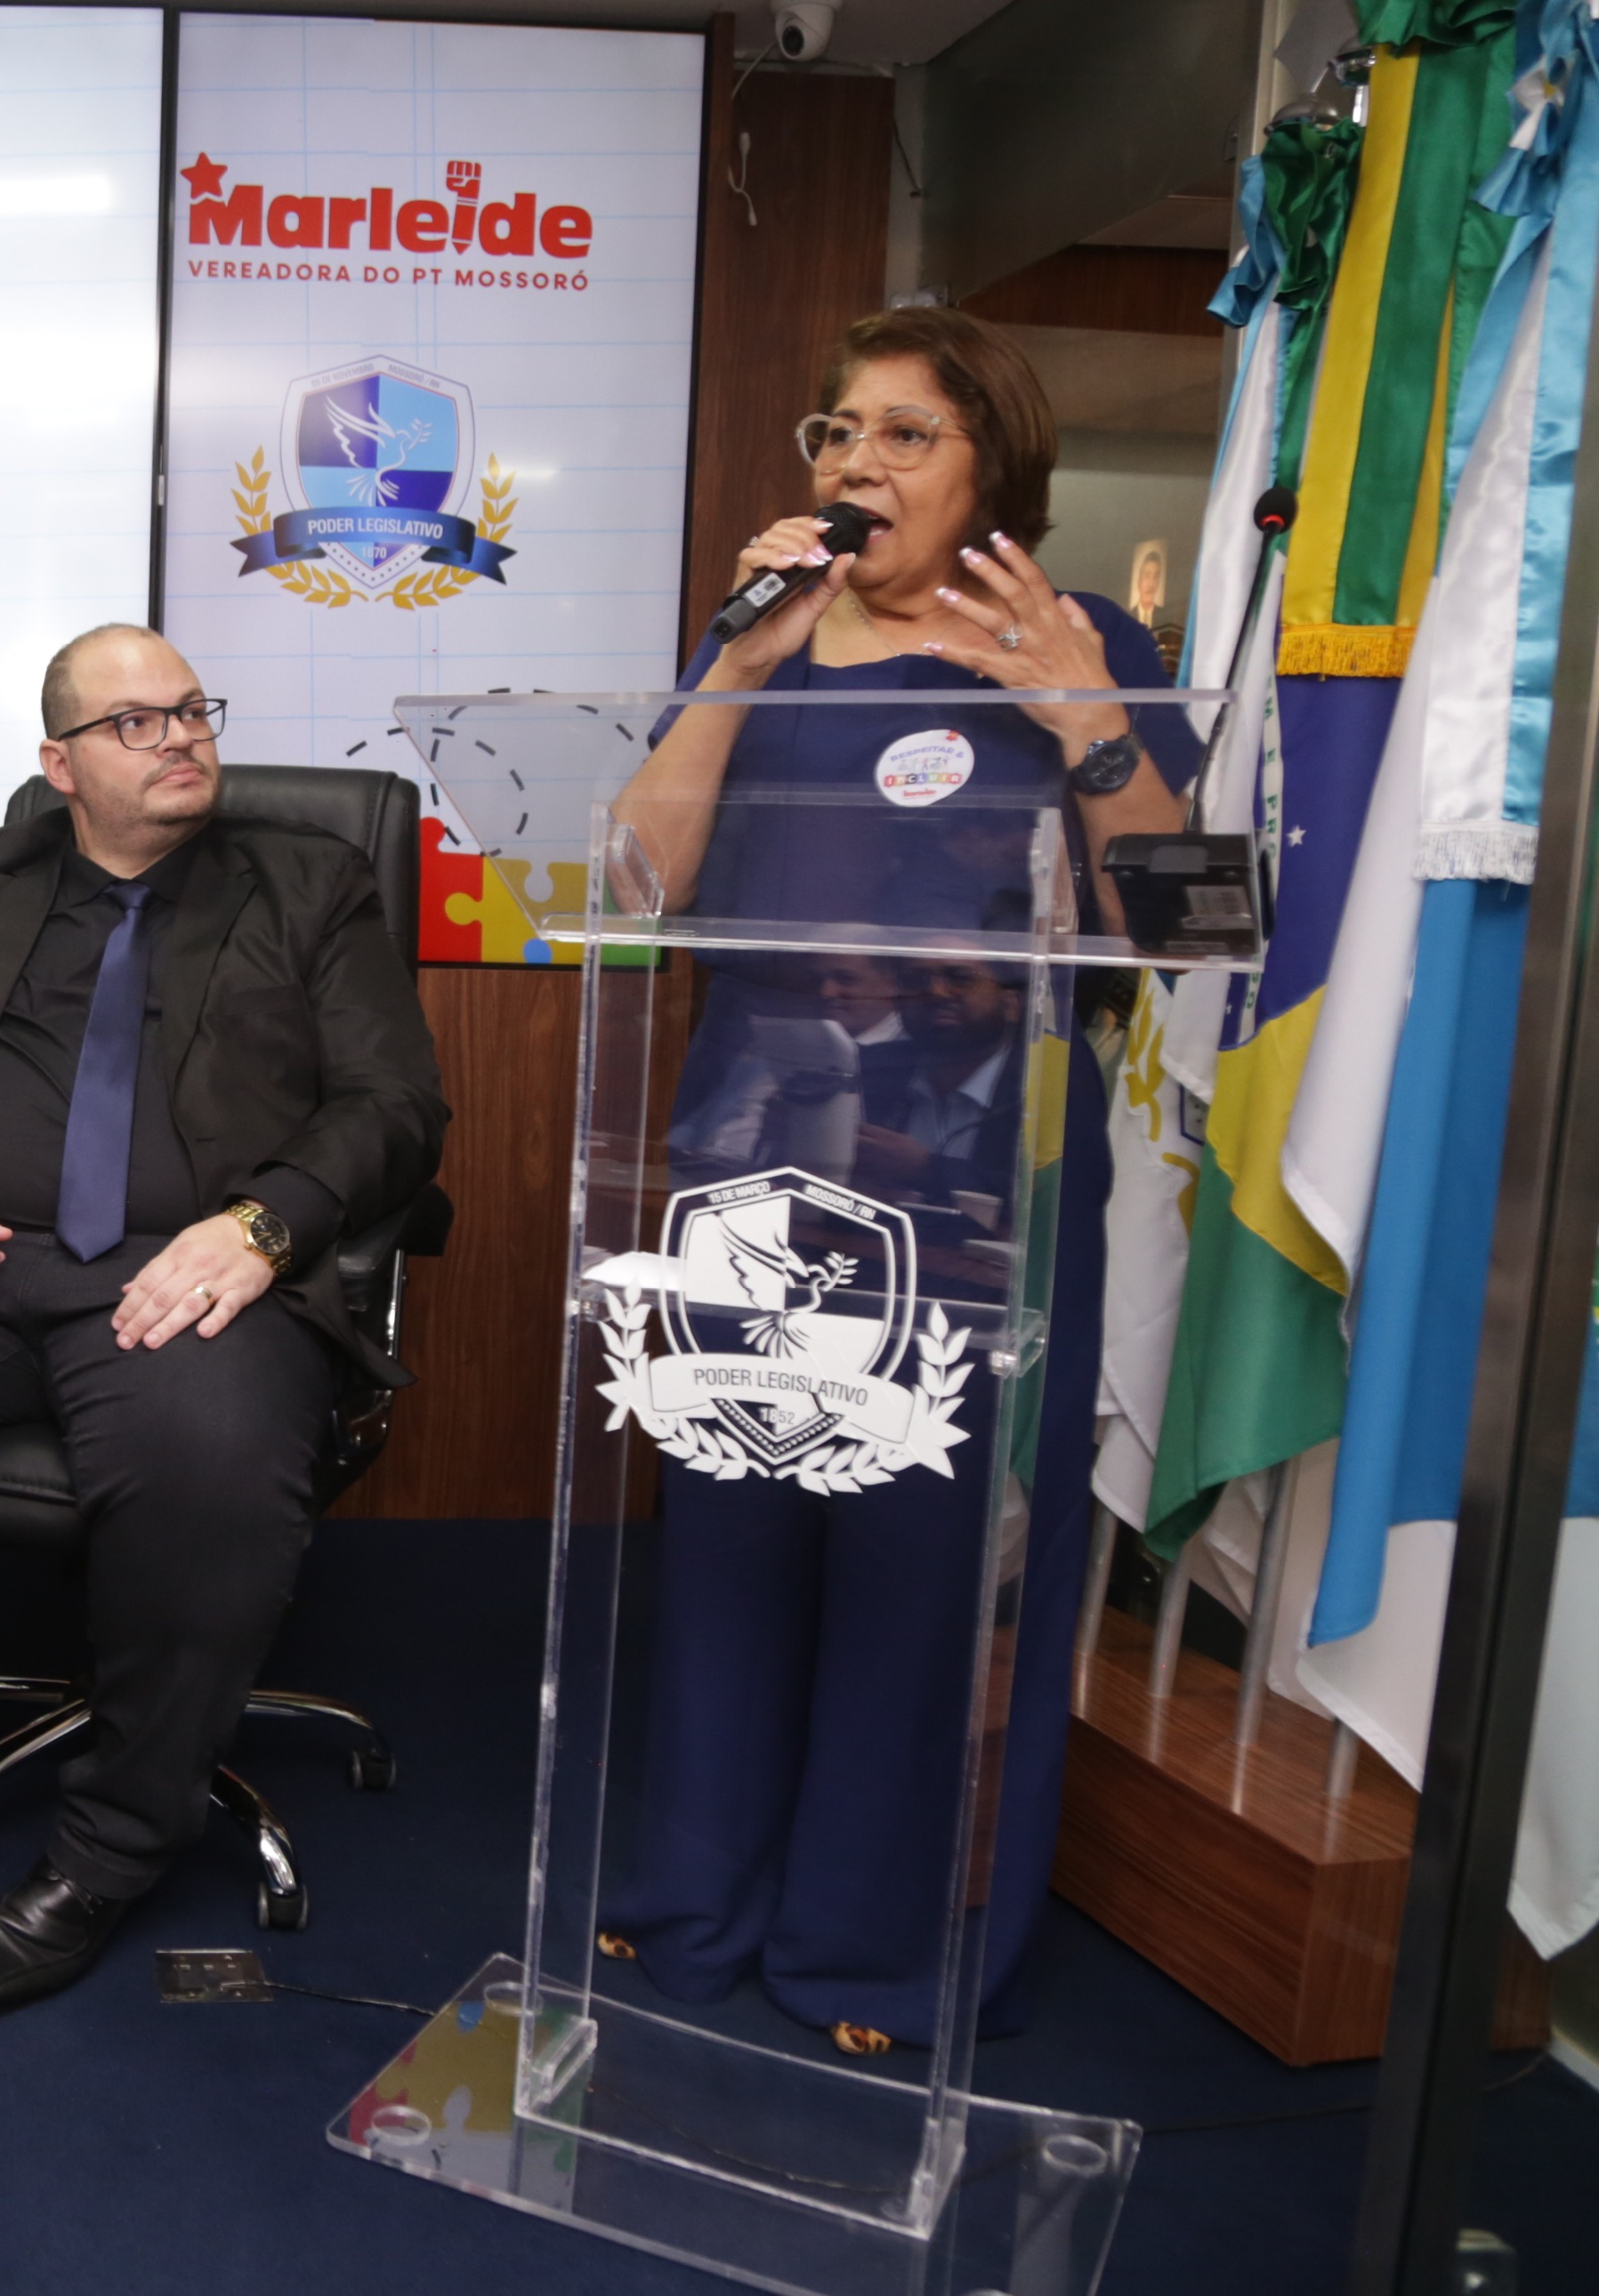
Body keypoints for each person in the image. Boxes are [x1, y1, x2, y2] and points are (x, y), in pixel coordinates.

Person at [597, 304, 1196, 2055]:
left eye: (903, 434)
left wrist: (1087, 725)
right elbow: (632, 889)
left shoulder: (1079, 641)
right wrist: (732, 666)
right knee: (735, 1536)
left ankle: (871, 1945)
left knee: (926, 1562)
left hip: (983, 1179)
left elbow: (1178, 921)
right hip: (757, 1162)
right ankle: (697, 1899)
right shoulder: (760, 642)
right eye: (837, 433)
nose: (856, 464)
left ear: (993, 466)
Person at [0, 623, 447, 2018]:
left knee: (209, 1470)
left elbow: (396, 1107)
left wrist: (261, 1226)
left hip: (188, 1270)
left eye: (192, 709)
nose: (180, 735)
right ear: (60, 764)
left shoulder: (310, 882)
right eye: (136, 721)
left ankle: (114, 1841)